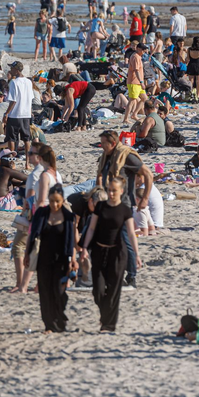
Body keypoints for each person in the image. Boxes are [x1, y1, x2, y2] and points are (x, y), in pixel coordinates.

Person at [81, 175, 141, 332]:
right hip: (99, 251)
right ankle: (104, 316)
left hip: (117, 253)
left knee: (114, 291)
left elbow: (131, 233)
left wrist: (137, 255)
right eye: (109, 190)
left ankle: (108, 324)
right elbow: (91, 228)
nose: (112, 193)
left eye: (114, 191)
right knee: (98, 291)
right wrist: (84, 248)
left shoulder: (125, 210)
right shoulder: (100, 206)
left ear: (121, 191)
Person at [95, 130, 152, 289]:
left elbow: (148, 174)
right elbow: (100, 174)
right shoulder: (107, 156)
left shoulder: (126, 155)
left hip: (123, 203)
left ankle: (132, 275)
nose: (102, 146)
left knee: (125, 239)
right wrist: (99, 190)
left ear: (112, 143)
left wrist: (145, 198)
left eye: (104, 143)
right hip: (108, 202)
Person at [26, 184, 78, 333]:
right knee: (45, 292)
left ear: (62, 200)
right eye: (52, 201)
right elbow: (32, 235)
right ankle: (49, 325)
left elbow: (73, 242)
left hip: (62, 259)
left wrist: (73, 260)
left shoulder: (69, 217)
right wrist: (27, 254)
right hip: (43, 259)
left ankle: (60, 318)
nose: (54, 204)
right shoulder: (41, 214)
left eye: (57, 201)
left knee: (59, 292)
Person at [3, 61, 34, 155]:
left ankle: (12, 159)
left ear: (16, 70)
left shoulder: (14, 82)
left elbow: (13, 101)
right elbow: (30, 98)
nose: (10, 70)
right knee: (26, 139)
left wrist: (6, 113)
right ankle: (27, 163)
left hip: (15, 114)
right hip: (26, 114)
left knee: (12, 138)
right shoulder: (29, 81)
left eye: (12, 68)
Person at [123, 44, 148, 124]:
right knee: (132, 100)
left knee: (144, 99)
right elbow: (136, 70)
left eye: (145, 50)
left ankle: (134, 114)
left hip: (138, 82)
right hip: (134, 82)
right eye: (143, 50)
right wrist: (141, 82)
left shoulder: (138, 56)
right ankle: (125, 119)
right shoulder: (135, 56)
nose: (144, 52)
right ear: (138, 49)